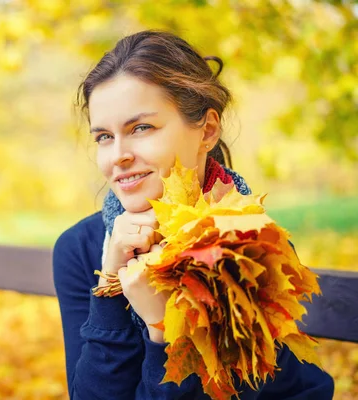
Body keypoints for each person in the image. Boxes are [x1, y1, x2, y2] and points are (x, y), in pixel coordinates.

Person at [52, 30, 334, 400]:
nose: (118, 155)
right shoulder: (81, 249)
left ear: (208, 131)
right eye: (104, 136)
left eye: (141, 128)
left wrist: (163, 328)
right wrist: (110, 286)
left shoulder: (248, 245)